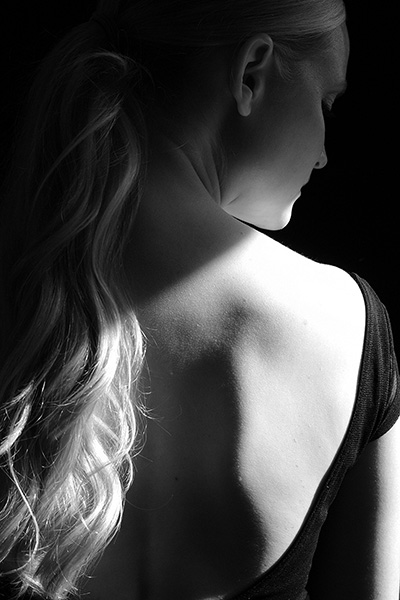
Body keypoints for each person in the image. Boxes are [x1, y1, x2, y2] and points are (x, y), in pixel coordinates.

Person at [0, 1, 399, 599]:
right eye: (326, 102)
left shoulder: (23, 289)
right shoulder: (346, 327)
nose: (323, 154)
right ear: (252, 72)